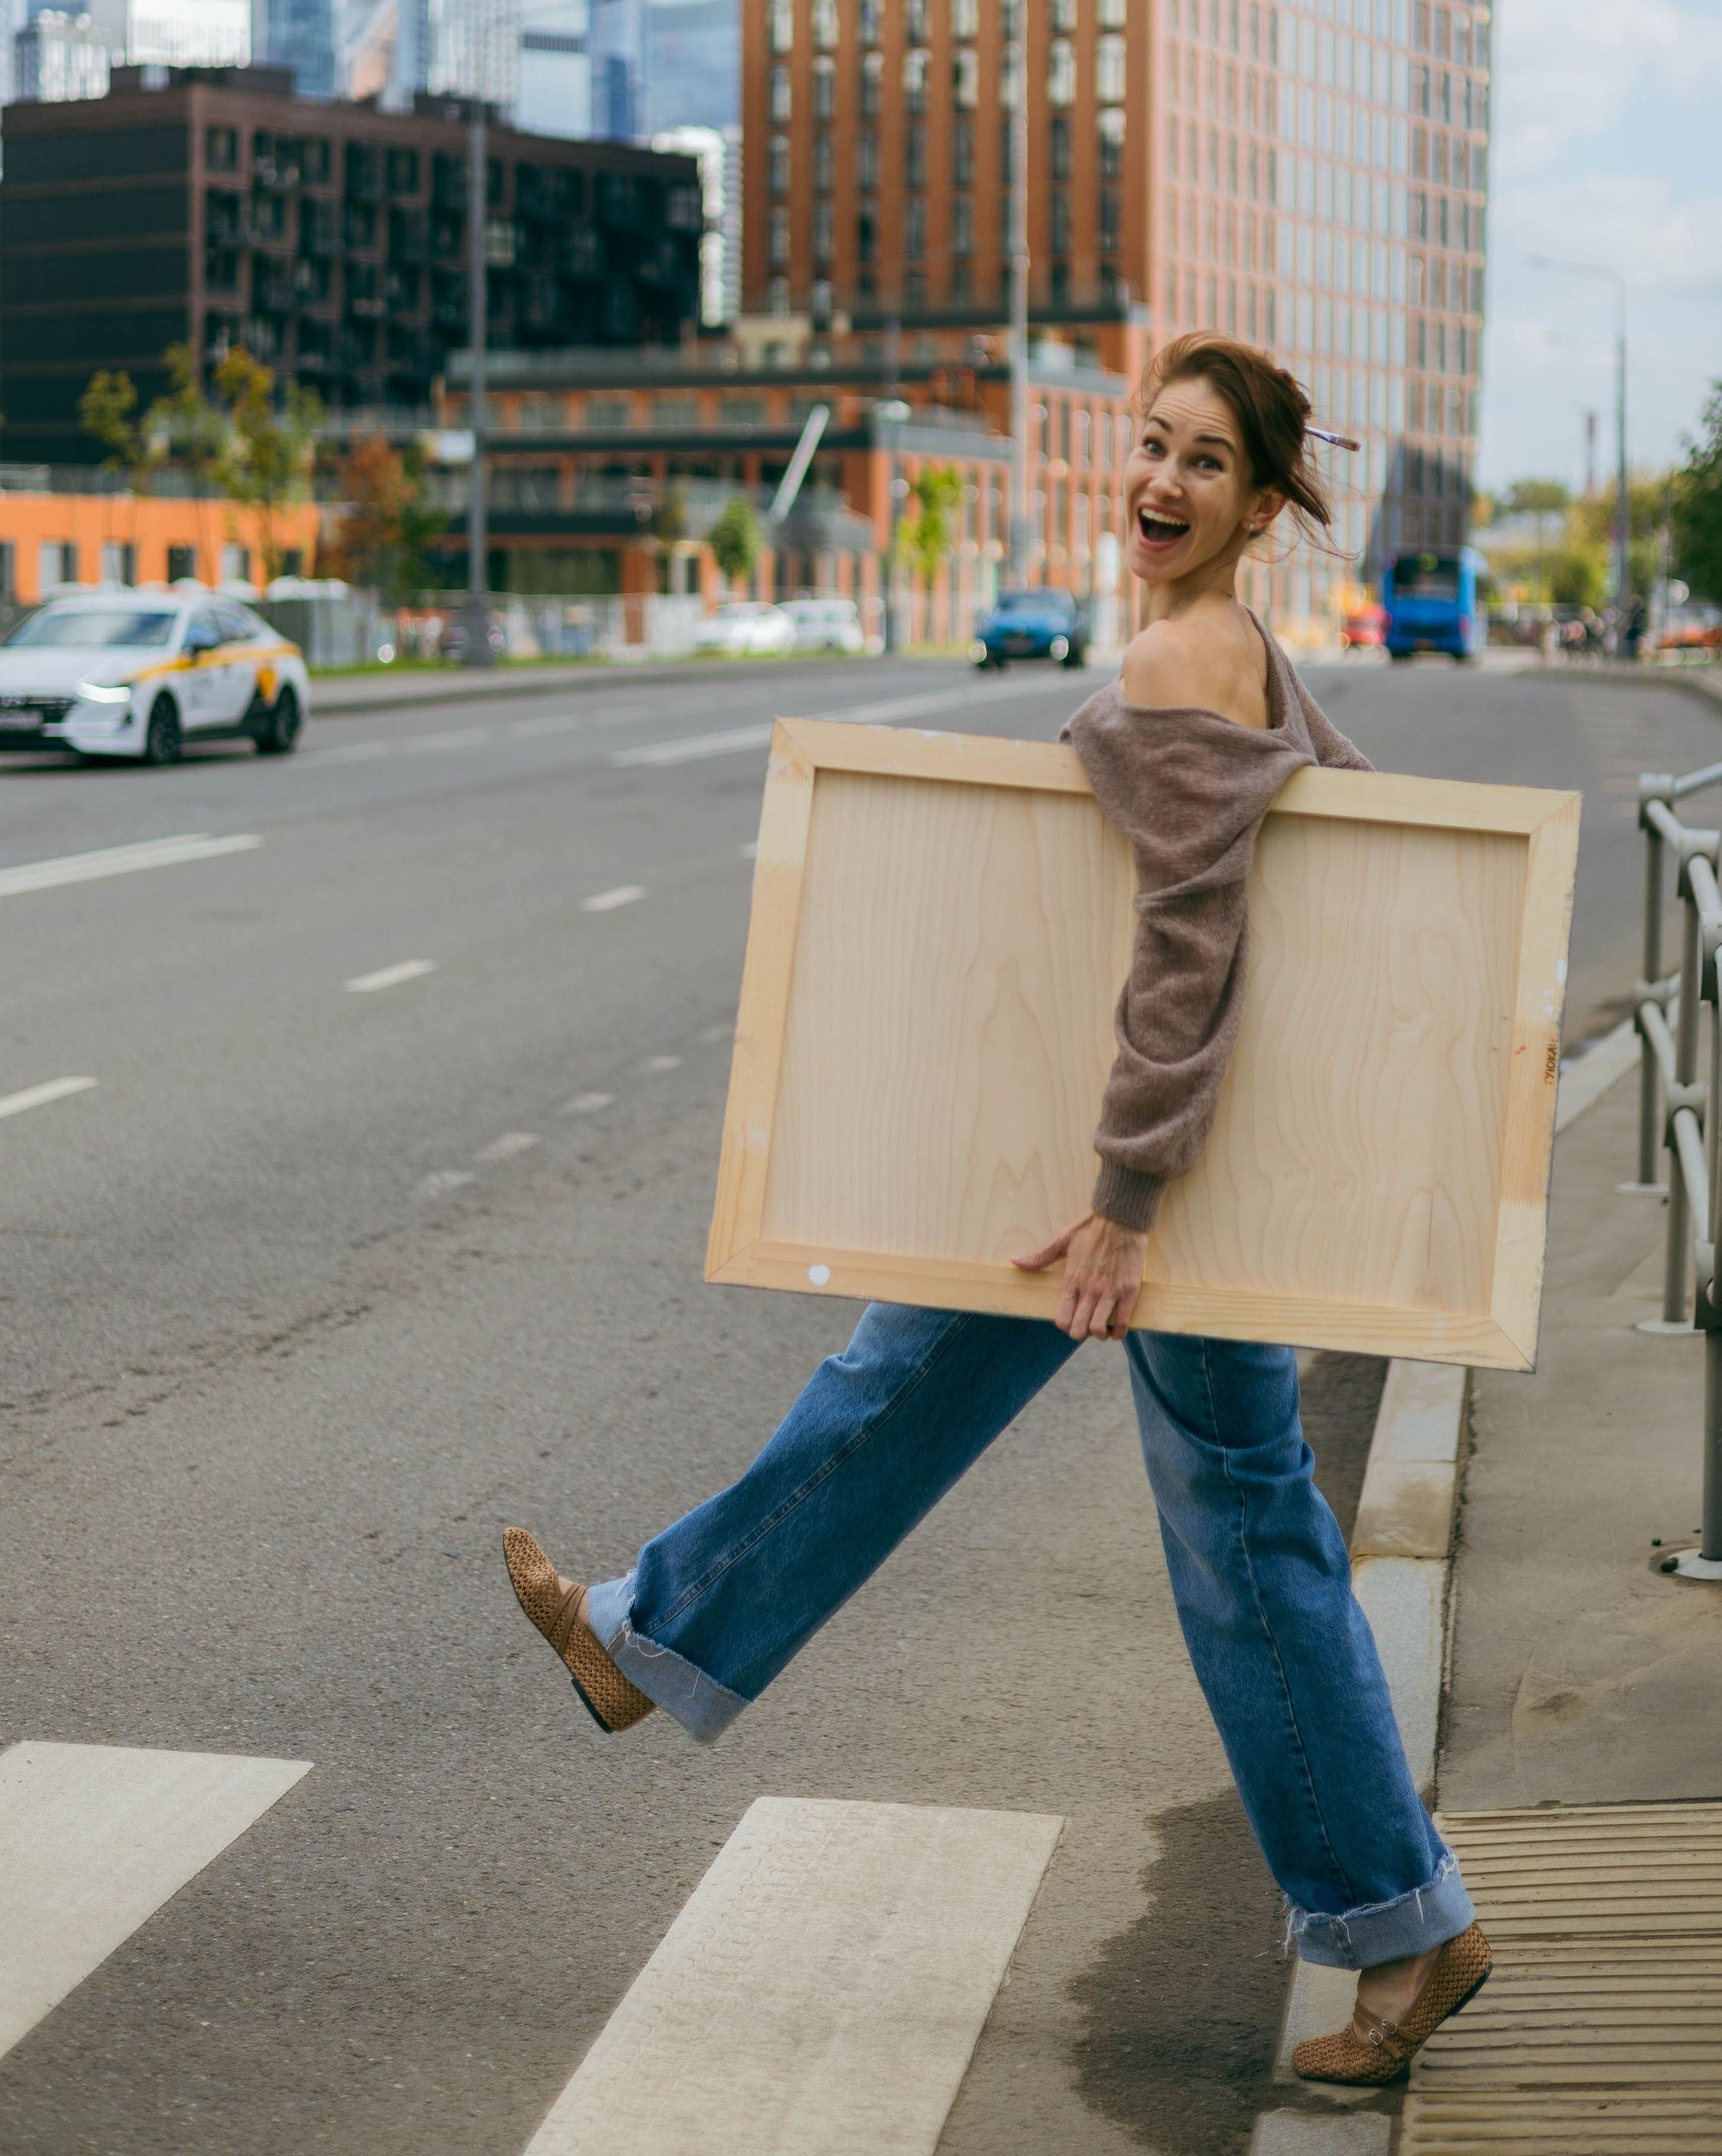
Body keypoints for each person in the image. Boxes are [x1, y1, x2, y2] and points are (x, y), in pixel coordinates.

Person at [502, 335, 1492, 2088]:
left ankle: (1409, 1929)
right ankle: (640, 1635)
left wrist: (1124, 1199)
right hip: (1135, 1168)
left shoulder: (1185, 648)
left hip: (1161, 1186)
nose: (1160, 484)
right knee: (899, 1380)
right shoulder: (1229, 641)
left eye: (1203, 465)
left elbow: (1190, 946)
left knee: (1243, 1546)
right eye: (1150, 445)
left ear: (1262, 506)